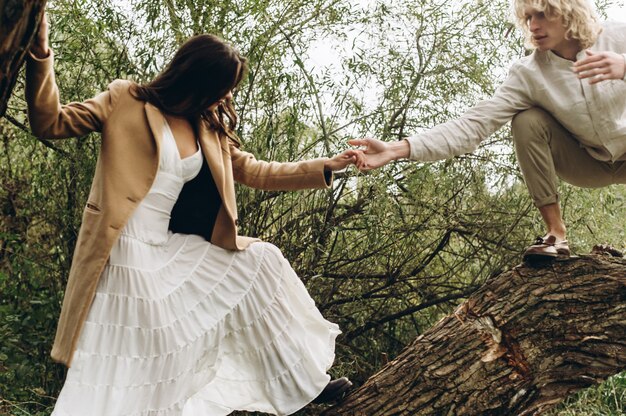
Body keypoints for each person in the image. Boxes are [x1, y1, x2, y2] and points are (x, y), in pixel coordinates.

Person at [27, 14, 355, 416]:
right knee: (124, 375)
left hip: (166, 250)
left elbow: (254, 171)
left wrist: (328, 166)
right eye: (222, 88)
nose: (226, 98)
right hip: (121, 254)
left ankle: (301, 386)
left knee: (261, 262)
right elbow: (49, 122)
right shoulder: (125, 99)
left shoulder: (209, 127)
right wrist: (40, 55)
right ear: (196, 77)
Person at [350, 0, 626, 261]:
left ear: (568, 10)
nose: (533, 26)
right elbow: (473, 125)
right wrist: (395, 149)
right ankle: (556, 234)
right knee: (527, 120)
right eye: (528, 17)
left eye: (541, 14)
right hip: (587, 163)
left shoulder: (618, 35)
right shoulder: (529, 73)